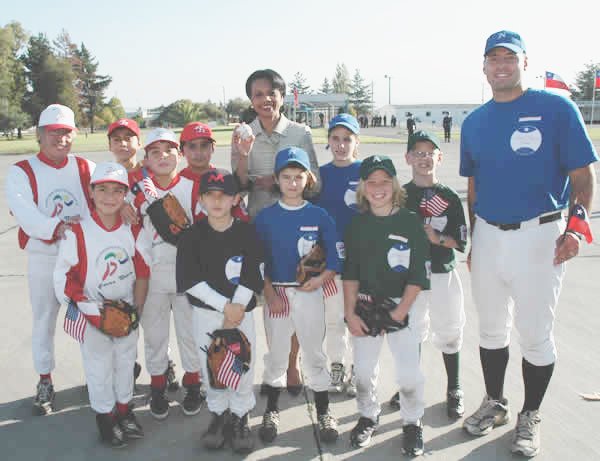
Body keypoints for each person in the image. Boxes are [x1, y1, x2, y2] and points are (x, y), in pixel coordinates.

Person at [460, 30, 598, 458]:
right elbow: (473, 188)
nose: (501, 64)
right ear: (483, 67)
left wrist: (575, 230)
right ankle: (496, 402)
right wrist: (473, 240)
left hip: (540, 236)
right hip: (487, 236)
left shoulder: (556, 108)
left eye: (509, 57)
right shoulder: (474, 121)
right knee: (490, 329)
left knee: (536, 335)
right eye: (493, 58)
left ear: (524, 62)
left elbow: (582, 177)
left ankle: (530, 413)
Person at [231, 68, 321, 394]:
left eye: (271, 93)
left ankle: (293, 362)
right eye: (257, 94)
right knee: (272, 301)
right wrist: (244, 159)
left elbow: (316, 183)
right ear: (251, 100)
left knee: (293, 297)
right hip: (259, 227)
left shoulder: (300, 133)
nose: (265, 99)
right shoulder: (243, 134)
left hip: (296, 227)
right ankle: (278, 361)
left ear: (282, 96)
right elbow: (237, 186)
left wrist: (283, 184)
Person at [5, 104, 95, 415]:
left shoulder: (85, 167)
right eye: (54, 132)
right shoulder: (21, 171)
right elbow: (26, 213)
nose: (61, 138)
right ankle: (45, 379)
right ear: (41, 135)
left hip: (79, 258)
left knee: (88, 318)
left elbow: (108, 197)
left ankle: (95, 378)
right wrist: (58, 227)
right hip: (44, 257)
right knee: (44, 320)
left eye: (67, 132)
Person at [53, 162, 150, 448]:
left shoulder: (133, 230)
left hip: (127, 310)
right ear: (91, 193)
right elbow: (63, 278)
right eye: (103, 189)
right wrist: (92, 312)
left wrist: (137, 311)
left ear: (124, 196)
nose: (110, 196)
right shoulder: (77, 232)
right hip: (91, 312)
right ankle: (105, 417)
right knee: (98, 367)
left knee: (124, 364)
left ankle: (124, 409)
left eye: (117, 191)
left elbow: (143, 272)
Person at [343, 155, 430, 456]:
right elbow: (350, 273)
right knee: (364, 373)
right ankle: (368, 414)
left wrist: (401, 310)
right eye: (371, 182)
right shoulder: (357, 224)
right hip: (366, 305)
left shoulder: (409, 221)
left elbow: (419, 273)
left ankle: (412, 421)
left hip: (403, 303)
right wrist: (349, 312)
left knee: (408, 375)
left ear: (394, 185)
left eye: (384, 181)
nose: (378, 188)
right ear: (363, 187)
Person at [254, 147, 341, 444]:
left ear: (308, 179)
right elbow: (257, 260)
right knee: (277, 354)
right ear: (277, 180)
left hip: (309, 293)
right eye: (286, 176)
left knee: (315, 352)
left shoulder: (319, 215)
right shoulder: (265, 218)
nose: (292, 182)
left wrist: (320, 282)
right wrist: (268, 292)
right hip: (277, 292)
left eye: (298, 176)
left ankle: (324, 410)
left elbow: (336, 259)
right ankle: (272, 409)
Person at [177, 169, 264, 453]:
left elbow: (253, 273)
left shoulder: (247, 231)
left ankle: (240, 415)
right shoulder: (191, 236)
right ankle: (218, 413)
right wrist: (224, 307)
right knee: (210, 365)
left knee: (241, 363)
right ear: (201, 199)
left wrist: (236, 308)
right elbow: (190, 280)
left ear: (236, 199)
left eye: (224, 195)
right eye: (210, 195)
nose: (217, 201)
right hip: (207, 312)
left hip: (241, 312)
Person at [392, 131, 467, 419]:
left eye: (429, 153)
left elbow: (460, 242)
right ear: (408, 158)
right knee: (411, 333)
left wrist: (437, 238)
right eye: (418, 153)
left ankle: (454, 387)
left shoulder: (448, 196)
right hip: (410, 277)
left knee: (449, 331)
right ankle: (409, 387)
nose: (424, 158)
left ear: (439, 156)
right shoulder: (401, 195)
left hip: (441, 273)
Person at [130, 128, 204, 420]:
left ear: (180, 154)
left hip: (186, 274)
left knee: (189, 334)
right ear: (145, 158)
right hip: (152, 275)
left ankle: (193, 385)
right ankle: (158, 386)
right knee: (155, 336)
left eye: (169, 150)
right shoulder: (138, 190)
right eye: (155, 152)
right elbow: (135, 233)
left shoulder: (192, 185)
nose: (163, 157)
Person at [313, 114, 362, 396]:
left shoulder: (366, 172)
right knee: (333, 319)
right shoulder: (320, 176)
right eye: (335, 139)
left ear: (356, 142)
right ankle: (337, 366)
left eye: (347, 139)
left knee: (358, 317)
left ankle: (358, 369)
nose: (341, 145)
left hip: (360, 261)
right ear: (328, 141)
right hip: (331, 262)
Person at [179, 121, 249, 223]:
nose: (199, 152)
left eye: (204, 145)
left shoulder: (225, 180)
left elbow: (242, 222)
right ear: (182, 151)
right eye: (192, 146)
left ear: (212, 148)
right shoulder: (177, 183)